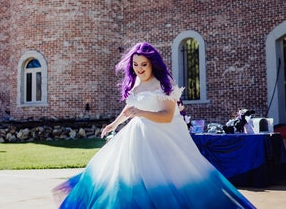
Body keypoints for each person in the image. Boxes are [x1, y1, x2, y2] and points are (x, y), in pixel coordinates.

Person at [53, 42, 256, 209]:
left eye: (144, 65)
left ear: (153, 64)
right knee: (121, 176)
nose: (139, 69)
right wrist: (114, 124)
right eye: (135, 65)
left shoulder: (164, 82)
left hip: (162, 137)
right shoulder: (134, 83)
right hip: (135, 137)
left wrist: (140, 113)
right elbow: (130, 108)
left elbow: (167, 116)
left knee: (167, 181)